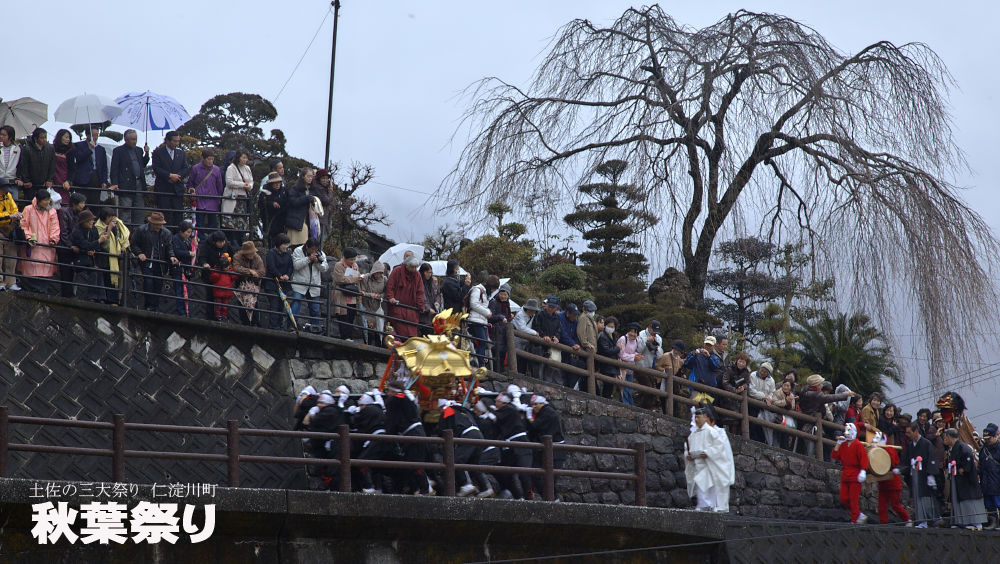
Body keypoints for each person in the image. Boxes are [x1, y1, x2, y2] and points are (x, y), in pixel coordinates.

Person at [684, 404, 735, 512]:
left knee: (713, 489)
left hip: (714, 466)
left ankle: (713, 508)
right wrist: (689, 455)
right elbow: (689, 447)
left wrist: (708, 453)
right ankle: (705, 507)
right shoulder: (695, 433)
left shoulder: (718, 433)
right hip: (701, 466)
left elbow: (722, 451)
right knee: (703, 487)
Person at [384, 381, 432, 495]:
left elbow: (392, 421)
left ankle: (425, 488)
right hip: (419, 430)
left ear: (392, 391)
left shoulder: (393, 401)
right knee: (411, 462)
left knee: (414, 462)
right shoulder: (406, 399)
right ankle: (418, 488)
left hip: (412, 433)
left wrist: (390, 436)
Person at [438, 398, 490, 497]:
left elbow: (444, 429)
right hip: (478, 434)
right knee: (473, 464)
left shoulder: (447, 410)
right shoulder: (462, 410)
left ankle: (465, 484)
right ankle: (485, 488)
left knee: (455, 460)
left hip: (468, 435)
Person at [129, 211, 178, 311]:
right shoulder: (141, 230)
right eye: (157, 225)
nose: (159, 227)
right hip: (147, 261)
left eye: (161, 225)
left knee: (158, 284)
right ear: (152, 223)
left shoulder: (166, 233)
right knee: (148, 282)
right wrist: (139, 253)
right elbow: (133, 244)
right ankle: (148, 305)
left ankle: (154, 306)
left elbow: (169, 247)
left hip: (159, 263)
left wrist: (172, 256)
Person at [798, 374, 855, 457]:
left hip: (803, 418)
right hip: (811, 421)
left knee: (805, 445)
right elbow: (830, 397)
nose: (822, 385)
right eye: (820, 383)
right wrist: (845, 394)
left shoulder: (805, 390)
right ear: (816, 385)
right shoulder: (816, 394)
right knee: (810, 446)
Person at [943, 428, 987, 530]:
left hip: (967, 480)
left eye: (945, 437)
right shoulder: (953, 448)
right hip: (958, 480)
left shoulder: (963, 447)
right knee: (959, 501)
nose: (944, 439)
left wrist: (963, 468)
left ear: (950, 437)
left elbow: (968, 459)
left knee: (970, 501)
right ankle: (960, 521)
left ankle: (976, 522)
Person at [17, 189, 60, 293]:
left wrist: (54, 239)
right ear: (38, 200)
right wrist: (28, 237)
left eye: (48, 200)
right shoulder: (28, 209)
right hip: (33, 242)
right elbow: (23, 225)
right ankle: (36, 289)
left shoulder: (52, 211)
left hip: (47, 244)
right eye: (44, 200)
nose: (47, 202)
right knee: (32, 266)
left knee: (44, 268)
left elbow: (55, 227)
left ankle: (41, 289)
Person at [493, 389, 533, 499]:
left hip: (520, 444)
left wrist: (488, 410)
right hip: (509, 446)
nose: (495, 403)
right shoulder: (505, 411)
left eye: (497, 401)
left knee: (524, 473)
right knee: (505, 472)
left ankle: (529, 497)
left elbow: (496, 417)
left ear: (504, 402)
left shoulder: (509, 409)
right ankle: (517, 496)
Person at [900, 422, 940, 528]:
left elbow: (932, 459)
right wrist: (900, 469)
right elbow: (906, 460)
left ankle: (929, 520)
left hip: (925, 475)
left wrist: (931, 475)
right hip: (915, 475)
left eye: (909, 433)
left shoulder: (926, 443)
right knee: (917, 497)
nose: (907, 435)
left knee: (926, 498)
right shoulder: (910, 445)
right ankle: (921, 520)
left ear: (916, 431)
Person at [108, 129, 150, 226]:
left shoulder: (139, 150)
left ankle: (137, 235)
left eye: (135, 139)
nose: (134, 141)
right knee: (125, 212)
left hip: (139, 184)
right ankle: (124, 236)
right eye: (132, 139)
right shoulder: (118, 151)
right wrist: (115, 183)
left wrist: (147, 153)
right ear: (126, 139)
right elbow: (114, 169)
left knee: (139, 212)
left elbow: (142, 164)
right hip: (125, 185)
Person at [527, 394, 566, 497]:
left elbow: (535, 426)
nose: (533, 407)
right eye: (532, 405)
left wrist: (529, 418)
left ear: (542, 403)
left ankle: (552, 499)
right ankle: (550, 499)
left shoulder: (548, 413)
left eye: (535, 404)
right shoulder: (544, 412)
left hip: (555, 451)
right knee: (540, 476)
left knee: (549, 479)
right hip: (547, 450)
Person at [831, 422, 869, 524]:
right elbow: (835, 455)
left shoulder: (858, 445)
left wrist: (863, 471)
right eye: (846, 430)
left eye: (849, 431)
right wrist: (838, 444)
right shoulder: (843, 444)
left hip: (855, 474)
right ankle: (858, 514)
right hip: (845, 474)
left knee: (853, 499)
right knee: (843, 498)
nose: (846, 433)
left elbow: (863, 459)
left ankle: (854, 520)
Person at [151, 131, 190, 229]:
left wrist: (177, 176)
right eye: (174, 141)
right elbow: (156, 168)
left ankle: (178, 236)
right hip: (163, 188)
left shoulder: (181, 153)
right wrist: (169, 175)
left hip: (177, 189)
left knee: (178, 215)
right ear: (167, 141)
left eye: (178, 141)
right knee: (164, 214)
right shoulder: (158, 152)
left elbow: (186, 168)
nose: (177, 143)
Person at [69, 209, 109, 302]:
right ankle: (92, 296)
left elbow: (94, 245)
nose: (92, 222)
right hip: (79, 258)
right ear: (84, 222)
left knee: (98, 271)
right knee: (94, 271)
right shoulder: (77, 232)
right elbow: (84, 244)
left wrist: (93, 250)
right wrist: (98, 242)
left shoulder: (93, 230)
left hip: (91, 259)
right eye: (89, 220)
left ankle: (101, 297)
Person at [872, 431, 911, 525]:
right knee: (881, 506)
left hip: (892, 482)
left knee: (895, 505)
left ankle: (907, 520)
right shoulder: (874, 449)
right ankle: (883, 523)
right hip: (882, 482)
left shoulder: (889, 449)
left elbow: (894, 463)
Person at [290, 237, 328, 331]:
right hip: (300, 283)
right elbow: (296, 266)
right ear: (307, 246)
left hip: (314, 284)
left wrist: (317, 262)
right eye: (312, 249)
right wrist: (308, 259)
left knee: (315, 308)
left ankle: (316, 328)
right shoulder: (298, 251)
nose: (314, 251)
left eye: (316, 249)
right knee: (296, 303)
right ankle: (292, 325)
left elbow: (325, 268)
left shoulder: (321, 254)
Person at [186, 148, 225, 240]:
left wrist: (219, 198)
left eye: (212, 159)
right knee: (199, 222)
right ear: (203, 158)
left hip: (213, 198)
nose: (210, 161)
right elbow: (190, 183)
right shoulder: (196, 168)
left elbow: (219, 185)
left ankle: (213, 240)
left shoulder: (216, 169)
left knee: (213, 223)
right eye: (208, 159)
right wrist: (192, 193)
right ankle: (200, 239)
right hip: (199, 198)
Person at [95, 208, 130, 305]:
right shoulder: (98, 227)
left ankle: (116, 300)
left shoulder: (116, 225)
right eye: (110, 217)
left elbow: (123, 236)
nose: (112, 219)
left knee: (117, 280)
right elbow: (104, 245)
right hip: (105, 258)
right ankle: (109, 300)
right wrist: (109, 229)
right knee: (107, 279)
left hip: (116, 257)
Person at [385, 255, 425, 339]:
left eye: (415, 267)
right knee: (399, 332)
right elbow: (390, 286)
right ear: (407, 266)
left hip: (412, 310)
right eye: (412, 267)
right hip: (397, 307)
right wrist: (390, 297)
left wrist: (420, 305)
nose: (414, 269)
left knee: (412, 335)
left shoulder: (417, 275)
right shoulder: (397, 271)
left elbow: (420, 292)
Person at [56, 192, 87, 297]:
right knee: (65, 273)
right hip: (65, 247)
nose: (83, 206)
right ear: (74, 203)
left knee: (72, 272)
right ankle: (67, 294)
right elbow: (63, 232)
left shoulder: (78, 214)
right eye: (81, 203)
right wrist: (70, 246)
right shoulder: (64, 212)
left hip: (74, 246)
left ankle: (70, 294)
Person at [332, 247, 366, 340]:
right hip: (342, 295)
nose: (353, 261)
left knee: (351, 317)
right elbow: (339, 279)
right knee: (343, 318)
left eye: (354, 259)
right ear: (345, 258)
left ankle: (349, 337)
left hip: (352, 296)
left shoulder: (355, 266)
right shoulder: (338, 265)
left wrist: (359, 292)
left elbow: (357, 281)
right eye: (351, 259)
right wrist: (355, 278)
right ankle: (344, 338)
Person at [70, 126, 109, 206]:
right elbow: (78, 158)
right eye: (93, 135)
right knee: (82, 202)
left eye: (97, 135)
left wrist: (104, 181)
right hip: (82, 179)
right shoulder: (78, 145)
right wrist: (89, 148)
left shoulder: (101, 149)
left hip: (96, 177)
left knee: (95, 203)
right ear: (87, 135)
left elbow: (104, 167)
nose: (95, 137)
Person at [17, 128, 55, 206]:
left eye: (45, 137)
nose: (44, 140)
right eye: (42, 138)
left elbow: (52, 165)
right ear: (35, 138)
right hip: (30, 183)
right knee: (30, 204)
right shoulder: (27, 149)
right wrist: (26, 180)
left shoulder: (50, 148)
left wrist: (49, 179)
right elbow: (24, 166)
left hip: (44, 183)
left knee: (43, 204)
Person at [263, 233, 294, 330]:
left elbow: (290, 266)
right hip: (272, 283)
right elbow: (271, 267)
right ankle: (273, 326)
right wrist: (279, 275)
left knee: (282, 305)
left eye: (287, 244)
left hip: (284, 284)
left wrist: (287, 275)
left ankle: (280, 325)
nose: (286, 247)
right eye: (284, 244)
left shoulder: (288, 254)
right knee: (274, 304)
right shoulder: (271, 253)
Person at [466, 274, 498, 368]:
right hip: (475, 320)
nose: (493, 291)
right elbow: (473, 304)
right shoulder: (477, 290)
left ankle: (480, 363)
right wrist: (487, 312)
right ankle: (480, 364)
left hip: (481, 321)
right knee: (482, 342)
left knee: (482, 343)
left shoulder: (484, 293)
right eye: (493, 289)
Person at [231, 240, 265, 326]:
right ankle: (245, 322)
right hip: (241, 284)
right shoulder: (237, 257)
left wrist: (254, 273)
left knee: (255, 304)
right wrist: (249, 271)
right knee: (242, 304)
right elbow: (236, 268)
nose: (251, 255)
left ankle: (255, 322)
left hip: (254, 285)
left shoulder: (257, 258)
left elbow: (262, 271)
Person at [222, 150, 252, 246]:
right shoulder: (231, 168)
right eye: (243, 157)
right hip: (233, 197)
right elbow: (229, 182)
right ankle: (233, 241)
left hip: (243, 198)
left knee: (241, 221)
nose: (245, 160)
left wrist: (249, 186)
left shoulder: (247, 168)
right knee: (231, 220)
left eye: (246, 158)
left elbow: (251, 181)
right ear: (238, 157)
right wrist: (242, 185)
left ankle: (240, 240)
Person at [530, 296, 562, 383]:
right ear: (546, 305)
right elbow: (536, 327)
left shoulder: (557, 317)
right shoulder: (539, 314)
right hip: (538, 344)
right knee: (537, 366)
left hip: (549, 346)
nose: (551, 309)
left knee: (549, 368)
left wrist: (556, 337)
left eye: (553, 307)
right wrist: (543, 335)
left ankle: (546, 386)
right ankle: (536, 383)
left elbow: (559, 329)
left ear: (556, 308)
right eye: (549, 306)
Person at [634, 321, 663, 409]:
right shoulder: (641, 334)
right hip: (639, 366)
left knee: (652, 391)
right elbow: (638, 350)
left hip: (650, 367)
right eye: (653, 330)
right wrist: (647, 341)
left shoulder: (658, 338)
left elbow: (659, 356)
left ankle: (646, 408)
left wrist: (657, 348)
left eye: (656, 332)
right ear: (649, 327)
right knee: (649, 389)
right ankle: (644, 408)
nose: (654, 333)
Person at [0, 178, 23, 291]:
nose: (5, 190)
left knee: (11, 257)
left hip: (8, 230)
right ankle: (0, 281)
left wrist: (13, 215)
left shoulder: (8, 196)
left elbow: (14, 209)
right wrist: (9, 216)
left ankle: (11, 282)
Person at [170, 220, 196, 316]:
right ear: (181, 231)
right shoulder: (175, 239)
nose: (189, 234)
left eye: (190, 232)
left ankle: (186, 311)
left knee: (186, 292)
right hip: (178, 268)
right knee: (179, 291)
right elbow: (175, 251)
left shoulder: (188, 240)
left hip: (186, 269)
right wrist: (188, 253)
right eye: (187, 232)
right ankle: (181, 312)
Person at [655, 340, 687, 416]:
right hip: (663, 381)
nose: (676, 352)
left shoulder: (678, 359)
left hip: (672, 382)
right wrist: (664, 370)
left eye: (678, 351)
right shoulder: (665, 356)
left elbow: (679, 365)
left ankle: (672, 415)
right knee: (663, 399)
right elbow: (657, 366)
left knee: (673, 400)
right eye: (675, 349)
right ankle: (665, 414)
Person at [558, 303, 585, 389]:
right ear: (568, 313)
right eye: (574, 314)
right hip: (560, 346)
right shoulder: (560, 317)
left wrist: (576, 344)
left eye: (576, 314)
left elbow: (576, 334)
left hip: (570, 350)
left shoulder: (575, 321)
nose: (575, 316)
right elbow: (563, 333)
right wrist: (572, 344)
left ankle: (568, 387)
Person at [359, 260, 387, 345]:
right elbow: (362, 291)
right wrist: (369, 294)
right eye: (377, 272)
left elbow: (386, 292)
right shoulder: (367, 278)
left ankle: (379, 346)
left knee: (378, 329)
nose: (378, 275)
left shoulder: (384, 279)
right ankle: (367, 344)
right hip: (367, 305)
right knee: (368, 328)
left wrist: (380, 296)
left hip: (378, 307)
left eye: (380, 273)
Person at [284, 168, 314, 247]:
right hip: (297, 220)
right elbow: (293, 202)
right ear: (303, 176)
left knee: (304, 244)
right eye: (308, 176)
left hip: (306, 220)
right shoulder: (296, 188)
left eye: (312, 176)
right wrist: (305, 198)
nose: (310, 178)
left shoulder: (311, 189)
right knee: (297, 244)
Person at [978, 423, 1000, 530]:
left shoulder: (999, 448)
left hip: (997, 480)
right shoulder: (983, 449)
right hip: (986, 481)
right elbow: (980, 465)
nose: (988, 441)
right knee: (989, 504)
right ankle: (993, 522)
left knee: (998, 503)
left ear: (994, 436)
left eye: (989, 438)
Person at [746, 361, 775, 443]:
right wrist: (763, 396)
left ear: (768, 373)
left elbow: (772, 392)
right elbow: (751, 391)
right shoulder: (753, 375)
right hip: (752, 402)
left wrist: (769, 398)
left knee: (761, 425)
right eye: (761, 370)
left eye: (765, 372)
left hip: (764, 405)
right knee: (752, 422)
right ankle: (751, 439)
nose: (762, 372)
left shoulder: (771, 381)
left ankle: (761, 441)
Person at [616, 322, 644, 406]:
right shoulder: (623, 339)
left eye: (635, 332)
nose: (633, 334)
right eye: (631, 331)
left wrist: (637, 355)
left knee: (629, 389)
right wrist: (634, 357)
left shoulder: (636, 340)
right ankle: (625, 406)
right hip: (622, 368)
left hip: (630, 368)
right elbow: (621, 354)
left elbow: (634, 351)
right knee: (623, 389)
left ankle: (629, 406)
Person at [511, 298, 540, 374]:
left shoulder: (532, 316)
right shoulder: (520, 315)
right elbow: (522, 328)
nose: (534, 312)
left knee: (523, 359)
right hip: (516, 340)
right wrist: (534, 333)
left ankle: (522, 373)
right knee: (516, 358)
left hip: (525, 342)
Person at [488, 283, 514, 368]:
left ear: (508, 296)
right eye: (501, 294)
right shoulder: (493, 302)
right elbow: (490, 317)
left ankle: (501, 371)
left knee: (503, 353)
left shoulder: (507, 305)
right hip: (495, 332)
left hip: (504, 333)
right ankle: (495, 371)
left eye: (505, 294)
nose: (503, 296)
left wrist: (510, 318)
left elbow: (507, 319)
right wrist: (500, 317)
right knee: (495, 353)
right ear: (498, 293)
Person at [258, 172, 287, 247]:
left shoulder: (284, 191)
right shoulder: (264, 192)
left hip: (281, 219)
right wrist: (271, 203)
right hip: (269, 220)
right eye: (275, 183)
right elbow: (261, 204)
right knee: (271, 239)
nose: (277, 185)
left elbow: (287, 202)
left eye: (279, 183)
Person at [596, 316, 621, 399]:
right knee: (607, 386)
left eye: (612, 327)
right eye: (609, 326)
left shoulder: (612, 335)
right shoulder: (603, 336)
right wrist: (617, 348)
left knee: (609, 387)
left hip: (611, 365)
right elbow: (606, 351)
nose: (610, 328)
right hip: (606, 365)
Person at [50, 129, 76, 204]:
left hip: (63, 180)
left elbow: (72, 168)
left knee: (64, 202)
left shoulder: (70, 151)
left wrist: (68, 180)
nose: (68, 140)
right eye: (66, 137)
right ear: (60, 137)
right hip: (53, 178)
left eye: (69, 138)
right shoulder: (52, 149)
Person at [0, 126, 22, 201]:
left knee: (13, 203)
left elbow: (20, 164)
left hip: (12, 181)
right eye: (0, 134)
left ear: (10, 136)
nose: (1, 136)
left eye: (4, 135)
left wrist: (19, 178)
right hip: (1, 179)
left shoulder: (17, 148)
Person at [418, 262, 441, 333]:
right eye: (427, 272)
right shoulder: (419, 282)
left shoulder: (432, 282)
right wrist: (428, 308)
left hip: (433, 314)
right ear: (423, 272)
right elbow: (421, 297)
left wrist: (437, 302)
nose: (429, 274)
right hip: (423, 316)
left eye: (431, 272)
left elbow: (437, 294)